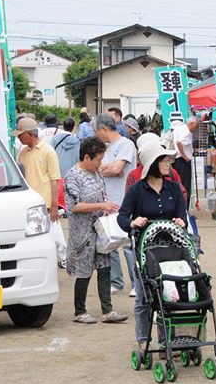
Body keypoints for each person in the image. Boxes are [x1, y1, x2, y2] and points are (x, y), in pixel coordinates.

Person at [117, 140, 187, 350]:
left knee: (170, 295)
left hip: (171, 249)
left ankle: (168, 341)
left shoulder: (173, 187)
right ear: (152, 163)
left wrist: (180, 221)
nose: (168, 163)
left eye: (168, 159)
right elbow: (122, 216)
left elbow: (181, 213)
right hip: (145, 250)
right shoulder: (137, 189)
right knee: (143, 297)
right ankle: (143, 340)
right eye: (164, 160)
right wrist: (132, 222)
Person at [64, 136, 128, 324]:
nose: (101, 163)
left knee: (105, 267)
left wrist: (106, 207)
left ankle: (107, 311)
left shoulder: (96, 173)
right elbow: (73, 206)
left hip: (100, 231)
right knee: (83, 272)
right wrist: (102, 205)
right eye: (98, 159)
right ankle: (80, 311)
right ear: (86, 157)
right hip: (82, 232)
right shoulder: (72, 176)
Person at [93, 114, 137, 294]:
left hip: (125, 200)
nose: (96, 135)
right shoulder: (107, 147)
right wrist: (109, 168)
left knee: (128, 244)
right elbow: (99, 169)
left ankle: (136, 283)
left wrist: (109, 168)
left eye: (96, 131)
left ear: (104, 129)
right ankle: (117, 282)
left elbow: (117, 169)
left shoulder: (126, 144)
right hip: (108, 201)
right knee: (110, 243)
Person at [13, 118, 60, 224]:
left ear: (29, 134)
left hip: (44, 205)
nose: (18, 137)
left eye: (20, 134)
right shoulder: (23, 153)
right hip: (27, 203)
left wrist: (54, 206)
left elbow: (55, 180)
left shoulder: (48, 152)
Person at [171, 116, 200, 206]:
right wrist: (184, 155)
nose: (195, 129)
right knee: (185, 185)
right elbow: (179, 142)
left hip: (177, 160)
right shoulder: (186, 131)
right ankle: (184, 208)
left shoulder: (177, 129)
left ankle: (179, 206)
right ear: (190, 124)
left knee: (178, 184)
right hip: (183, 161)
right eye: (195, 127)